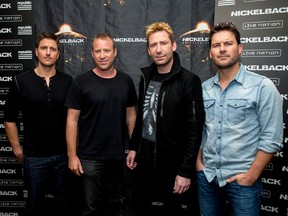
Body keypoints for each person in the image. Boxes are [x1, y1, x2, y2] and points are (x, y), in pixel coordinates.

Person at [196, 22, 283, 216]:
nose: (222, 49)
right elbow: (199, 129)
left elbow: (272, 137)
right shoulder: (204, 89)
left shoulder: (262, 86)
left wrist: (251, 176)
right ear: (210, 53)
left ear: (240, 48)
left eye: (228, 43)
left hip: (243, 182)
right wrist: (199, 165)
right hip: (208, 178)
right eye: (216, 45)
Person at [126, 22, 205, 216]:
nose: (159, 49)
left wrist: (185, 171)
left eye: (163, 43)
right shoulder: (146, 77)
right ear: (148, 49)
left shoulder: (189, 81)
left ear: (173, 45)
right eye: (154, 45)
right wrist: (134, 147)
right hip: (145, 162)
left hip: (174, 166)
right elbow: (144, 117)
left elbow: (194, 130)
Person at [65, 33, 137, 216]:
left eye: (106, 50)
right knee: (90, 208)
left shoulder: (126, 81)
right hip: (89, 158)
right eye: (98, 51)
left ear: (115, 52)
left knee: (114, 205)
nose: (102, 55)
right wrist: (72, 156)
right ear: (92, 53)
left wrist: (134, 148)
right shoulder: (81, 82)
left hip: (117, 156)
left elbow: (131, 115)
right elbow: (72, 121)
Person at [4, 32, 73, 216]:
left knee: (63, 205)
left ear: (58, 54)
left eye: (53, 49)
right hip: (34, 157)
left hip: (62, 156)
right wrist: (17, 149)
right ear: (36, 51)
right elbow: (9, 118)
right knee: (34, 206)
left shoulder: (68, 82)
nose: (48, 52)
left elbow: (73, 120)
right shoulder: (20, 81)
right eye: (44, 48)